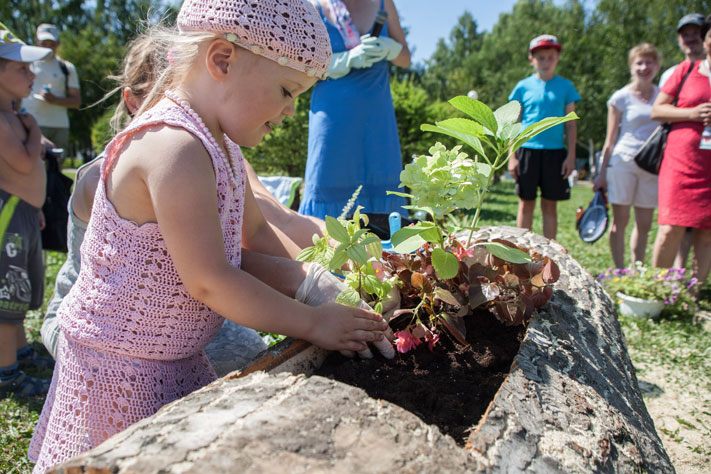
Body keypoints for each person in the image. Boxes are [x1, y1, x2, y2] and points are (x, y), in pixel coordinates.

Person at [28, 0, 394, 470]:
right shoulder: (174, 147)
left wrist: (313, 279)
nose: (289, 111)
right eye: (286, 90)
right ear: (223, 59)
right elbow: (209, 279)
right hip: (120, 367)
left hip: (170, 356)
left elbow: (256, 234)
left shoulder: (219, 145)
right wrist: (313, 322)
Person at [39, 34, 326, 374]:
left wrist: (319, 278)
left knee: (243, 354)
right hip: (112, 338)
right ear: (134, 102)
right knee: (240, 357)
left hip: (174, 321)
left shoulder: (218, 147)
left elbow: (261, 228)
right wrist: (310, 312)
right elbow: (208, 271)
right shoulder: (152, 156)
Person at [299, 0, 411, 220]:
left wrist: (391, 49)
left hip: (377, 119)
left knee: (383, 187)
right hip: (332, 117)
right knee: (327, 183)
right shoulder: (315, 6)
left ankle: (388, 253)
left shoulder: (383, 3)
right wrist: (344, 60)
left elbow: (406, 59)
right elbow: (301, 66)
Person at [0, 28, 53, 397]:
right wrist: (34, 132)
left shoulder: (11, 114)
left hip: (23, 212)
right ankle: (7, 375)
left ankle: (20, 351)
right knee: (7, 297)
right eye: (22, 69)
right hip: (8, 217)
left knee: (20, 290)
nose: (31, 76)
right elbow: (21, 162)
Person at [651, 14, 711, 295]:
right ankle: (658, 291)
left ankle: (691, 296)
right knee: (670, 228)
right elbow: (657, 110)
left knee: (707, 232)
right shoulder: (686, 70)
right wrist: (692, 113)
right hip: (681, 160)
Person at [593, 44, 661, 268]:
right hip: (623, 162)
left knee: (644, 224)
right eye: (639, 62)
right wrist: (601, 174)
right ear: (631, 67)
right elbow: (610, 139)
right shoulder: (620, 97)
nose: (644, 67)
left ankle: (637, 269)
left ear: (657, 66)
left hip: (652, 165)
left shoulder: (663, 96)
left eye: (649, 62)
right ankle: (620, 270)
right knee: (619, 222)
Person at [507, 34, 580, 241]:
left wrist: (571, 156)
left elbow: (571, 124)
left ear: (557, 58)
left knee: (550, 204)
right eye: (540, 58)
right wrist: (512, 156)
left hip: (555, 153)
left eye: (550, 57)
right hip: (527, 151)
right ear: (532, 59)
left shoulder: (566, 87)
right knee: (526, 202)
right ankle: (520, 250)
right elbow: (513, 123)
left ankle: (550, 252)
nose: (545, 62)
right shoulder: (522, 87)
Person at [21, 24, 81, 153]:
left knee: (56, 167)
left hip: (59, 125)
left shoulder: (67, 67)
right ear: (37, 41)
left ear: (58, 43)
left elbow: (76, 101)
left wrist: (55, 100)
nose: (48, 47)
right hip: (32, 122)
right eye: (44, 43)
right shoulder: (25, 64)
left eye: (52, 43)